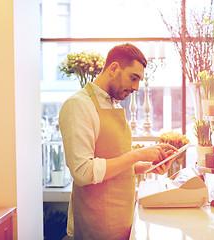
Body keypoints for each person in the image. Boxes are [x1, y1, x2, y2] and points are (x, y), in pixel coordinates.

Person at [59, 43, 177, 240]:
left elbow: (113, 164)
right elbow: (83, 172)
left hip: (122, 220)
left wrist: (148, 166)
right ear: (113, 68)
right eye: (134, 78)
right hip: (96, 225)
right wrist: (138, 154)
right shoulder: (78, 105)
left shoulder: (112, 104)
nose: (136, 87)